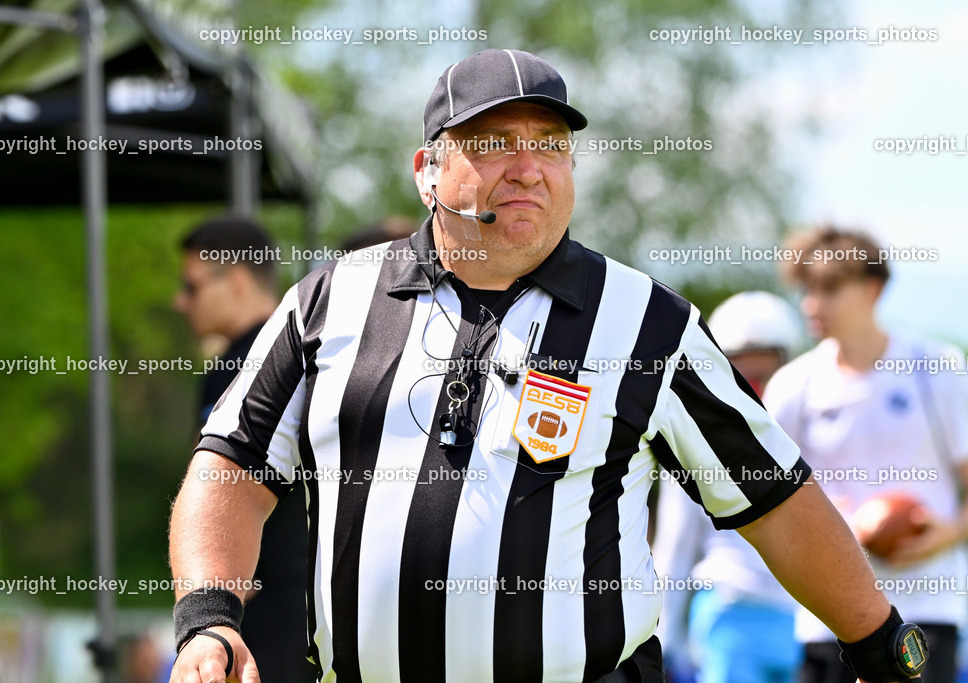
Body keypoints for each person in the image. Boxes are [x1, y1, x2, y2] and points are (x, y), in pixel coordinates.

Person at [168, 49, 930, 683]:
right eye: (495, 143)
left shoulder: (648, 323)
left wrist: (882, 644)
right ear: (426, 171)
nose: (529, 167)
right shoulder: (328, 302)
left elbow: (773, 495)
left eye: (550, 144)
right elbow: (230, 462)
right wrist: (207, 619)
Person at [763, 226, 968, 683]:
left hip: (925, 613)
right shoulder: (794, 385)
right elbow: (768, 501)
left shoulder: (935, 367)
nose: (812, 304)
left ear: (873, 289)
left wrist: (947, 534)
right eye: (807, 289)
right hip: (829, 618)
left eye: (830, 288)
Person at [174, 216, 314, 682]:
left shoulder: (243, 361)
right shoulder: (310, 345)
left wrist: (215, 589)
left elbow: (218, 480)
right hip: (312, 601)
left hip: (261, 609)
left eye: (190, 286)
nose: (180, 302)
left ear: (234, 280)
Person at [653, 291, 805, 683]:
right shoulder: (692, 440)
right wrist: (664, 642)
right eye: (740, 372)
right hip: (729, 611)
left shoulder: (808, 430)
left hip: (806, 621)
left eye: (764, 371)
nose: (753, 386)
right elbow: (675, 546)